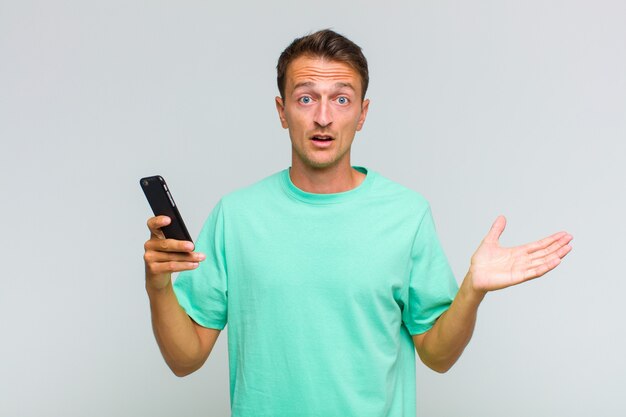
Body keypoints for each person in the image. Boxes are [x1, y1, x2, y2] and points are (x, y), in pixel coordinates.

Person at [143, 29, 573, 416]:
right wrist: (158, 286)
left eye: (342, 99)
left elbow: (438, 356)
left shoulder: (406, 214)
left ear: (362, 113)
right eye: (306, 98)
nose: (324, 117)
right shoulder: (235, 216)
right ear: (282, 110)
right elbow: (185, 360)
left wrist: (472, 291)